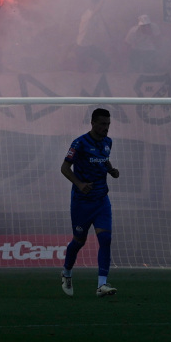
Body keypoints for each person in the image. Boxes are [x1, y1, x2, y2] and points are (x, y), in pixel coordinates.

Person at [60, 107, 119, 298]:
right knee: (79, 241)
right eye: (102, 124)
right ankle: (66, 272)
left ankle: (102, 285)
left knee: (106, 239)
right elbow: (64, 168)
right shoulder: (79, 143)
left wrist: (111, 170)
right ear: (92, 123)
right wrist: (79, 184)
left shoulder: (108, 142)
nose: (106, 128)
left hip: (102, 201)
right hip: (82, 203)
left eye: (108, 124)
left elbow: (104, 160)